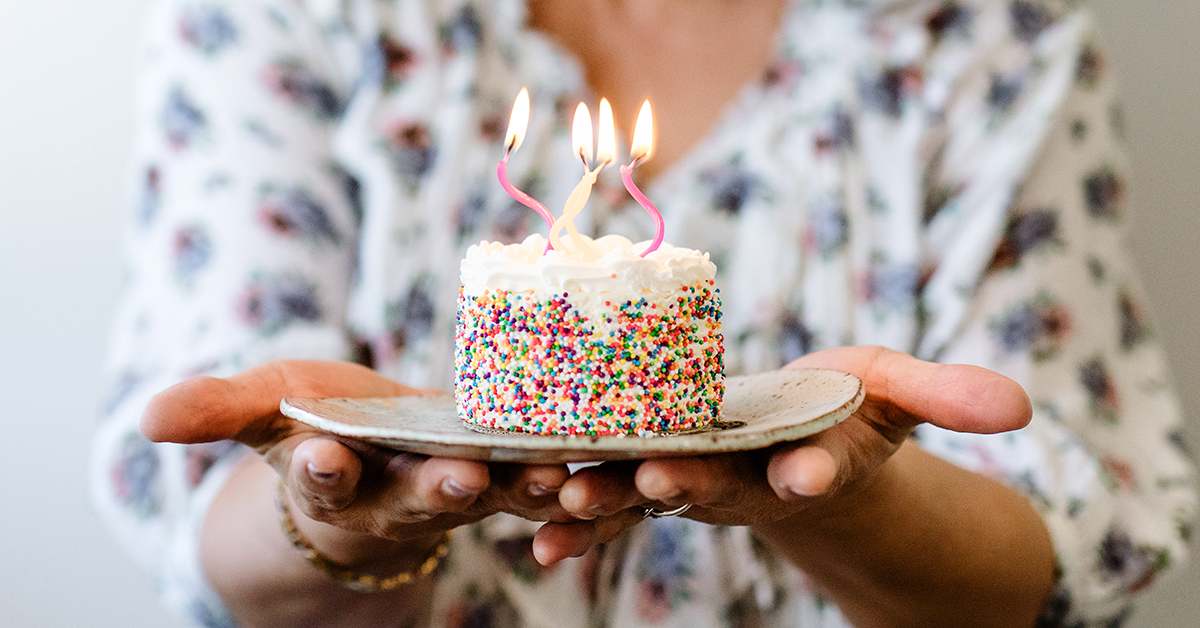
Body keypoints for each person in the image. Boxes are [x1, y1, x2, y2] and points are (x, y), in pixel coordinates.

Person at [91, 0, 1196, 627]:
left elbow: (1053, 551)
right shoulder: (294, 18)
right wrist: (326, 507)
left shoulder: (982, 35)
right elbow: (207, 537)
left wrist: (841, 505)